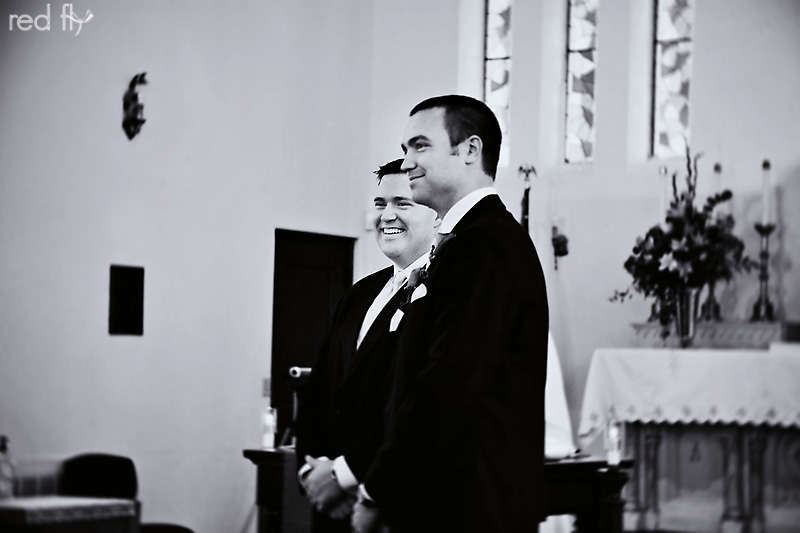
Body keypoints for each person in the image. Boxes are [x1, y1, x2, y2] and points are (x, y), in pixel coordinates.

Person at [354, 95, 549, 533]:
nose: (407, 162)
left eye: (420, 146)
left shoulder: (485, 246)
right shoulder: (466, 241)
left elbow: (448, 385)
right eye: (405, 149)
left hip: (470, 506)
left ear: (469, 150)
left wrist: (377, 488)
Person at [294, 158, 439, 533]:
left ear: (436, 216)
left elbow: (418, 405)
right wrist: (312, 470)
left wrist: (346, 477)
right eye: (380, 204)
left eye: (402, 203)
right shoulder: (358, 294)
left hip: (392, 503)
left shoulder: (443, 294)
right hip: (332, 506)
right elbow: (318, 389)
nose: (387, 215)